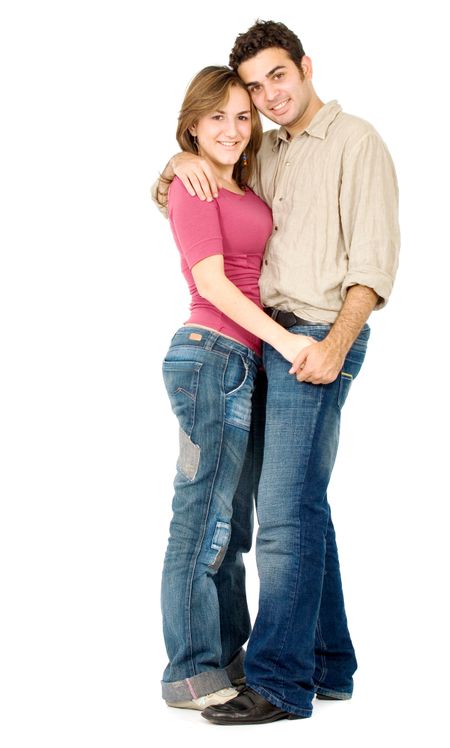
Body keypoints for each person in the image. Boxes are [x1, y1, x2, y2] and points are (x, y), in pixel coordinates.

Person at [157, 21, 400, 724]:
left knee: (284, 518)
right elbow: (211, 186)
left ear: (305, 67)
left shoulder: (357, 142)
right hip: (266, 344)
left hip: (315, 337)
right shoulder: (268, 153)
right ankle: (329, 665)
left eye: (276, 78)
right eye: (255, 89)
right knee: (300, 507)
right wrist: (177, 164)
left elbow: (375, 262)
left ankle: (280, 682)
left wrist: (332, 343)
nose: (268, 97)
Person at [156, 65, 315, 712]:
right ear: (192, 123)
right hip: (212, 357)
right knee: (203, 520)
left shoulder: (239, 182)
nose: (231, 128)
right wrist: (284, 342)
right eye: (214, 116)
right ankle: (190, 670)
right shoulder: (192, 185)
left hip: (241, 364)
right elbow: (216, 283)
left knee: (234, 527)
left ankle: (225, 659)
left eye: (241, 116)